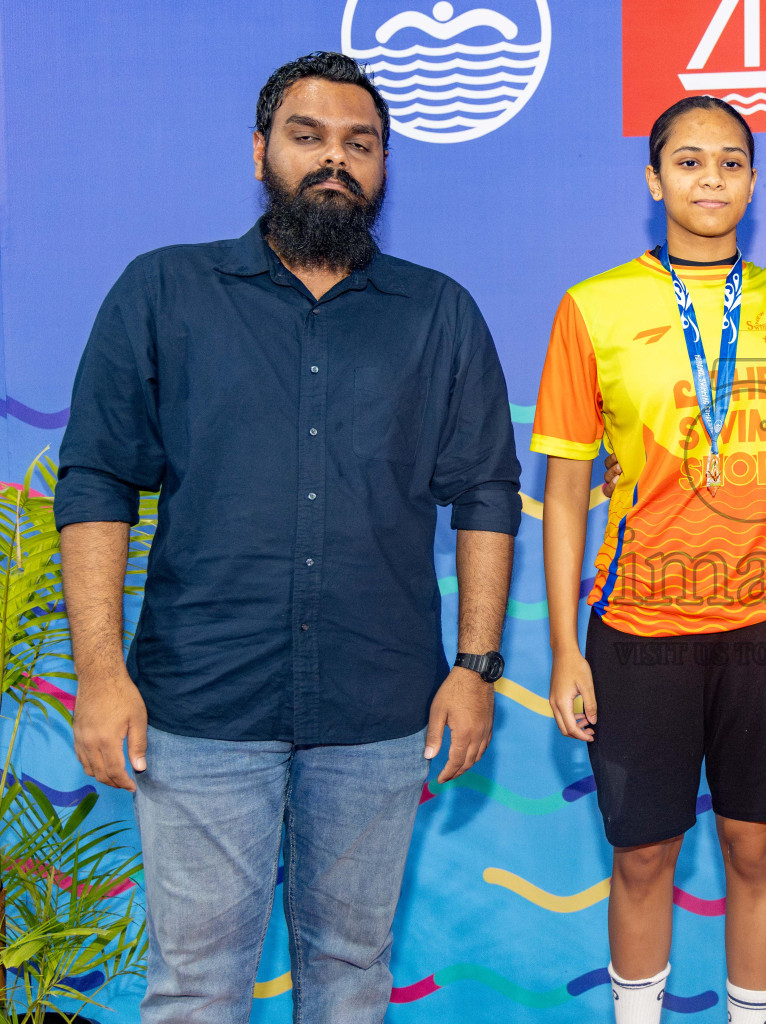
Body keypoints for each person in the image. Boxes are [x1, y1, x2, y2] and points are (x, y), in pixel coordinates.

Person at [56, 52, 521, 1024]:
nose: (334, 161)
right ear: (261, 149)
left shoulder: (438, 313)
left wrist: (475, 665)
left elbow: (484, 492)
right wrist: (101, 674)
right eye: (309, 137)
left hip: (379, 709)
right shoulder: (164, 293)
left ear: (385, 166)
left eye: (360, 144)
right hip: (199, 707)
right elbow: (98, 478)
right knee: (195, 986)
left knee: (351, 976)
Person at [533, 96, 766, 1024]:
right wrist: (565, 650)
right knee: (644, 855)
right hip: (638, 631)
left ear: (753, 179)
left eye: (732, 162)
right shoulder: (592, 307)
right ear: (654, 178)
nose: (713, 179)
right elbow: (565, 492)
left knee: (757, 850)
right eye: (691, 161)